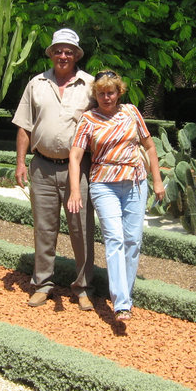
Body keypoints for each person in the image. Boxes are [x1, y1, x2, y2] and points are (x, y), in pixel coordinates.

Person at [66, 70, 164, 321]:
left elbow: (149, 146)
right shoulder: (88, 119)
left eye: (110, 92)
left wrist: (157, 180)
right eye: (101, 93)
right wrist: (75, 190)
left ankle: (125, 298)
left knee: (133, 241)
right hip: (104, 185)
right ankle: (121, 303)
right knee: (115, 239)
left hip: (136, 184)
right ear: (95, 94)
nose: (106, 97)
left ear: (119, 92)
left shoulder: (131, 112)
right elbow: (75, 157)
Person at [12, 28, 97, 311]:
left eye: (69, 51)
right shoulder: (36, 84)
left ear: (76, 55)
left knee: (81, 230)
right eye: (58, 50)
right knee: (44, 229)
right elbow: (24, 126)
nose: (63, 55)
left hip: (78, 171)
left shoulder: (90, 85)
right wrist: (21, 162)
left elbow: (103, 122)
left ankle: (82, 287)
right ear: (51, 53)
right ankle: (42, 284)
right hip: (43, 169)